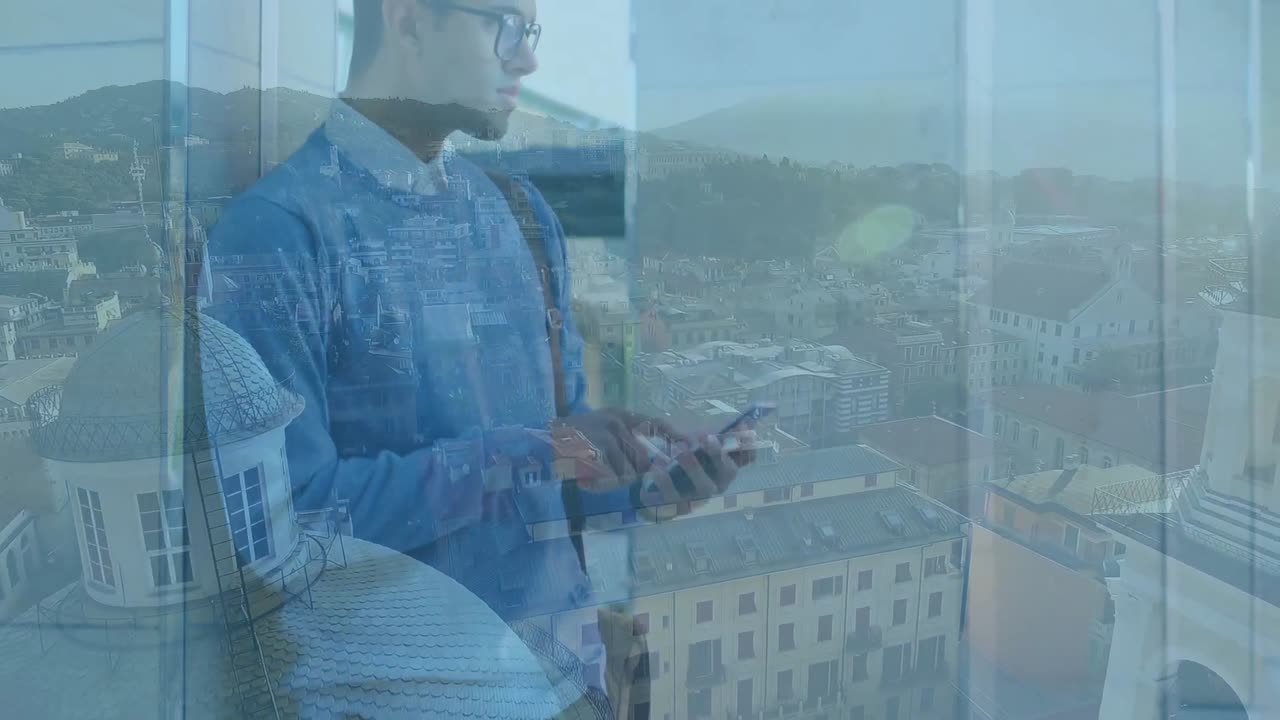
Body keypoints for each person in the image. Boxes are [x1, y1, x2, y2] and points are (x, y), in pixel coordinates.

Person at [202, 0, 753, 716]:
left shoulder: (521, 217)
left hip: (559, 683)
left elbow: (548, 481)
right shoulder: (273, 237)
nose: (526, 58)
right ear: (407, 17)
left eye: (532, 32)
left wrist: (647, 484)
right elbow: (290, 524)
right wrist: (533, 452)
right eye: (506, 25)